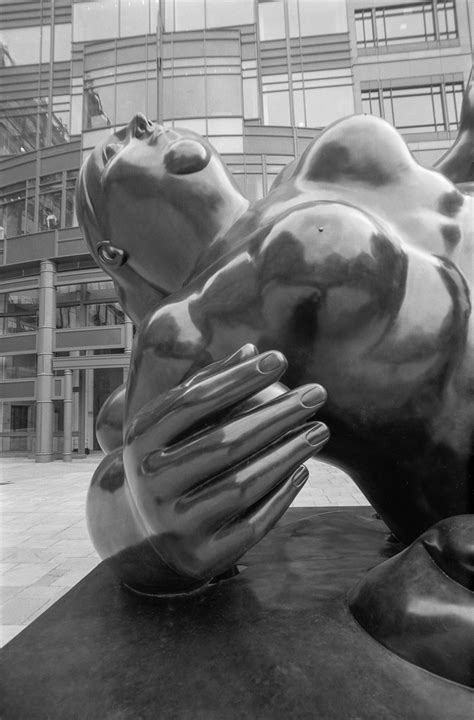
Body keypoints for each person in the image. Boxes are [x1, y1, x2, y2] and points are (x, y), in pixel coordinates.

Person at [77, 96, 473, 596]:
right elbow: (127, 473)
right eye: (114, 153)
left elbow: (437, 206)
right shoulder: (180, 334)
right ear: (115, 253)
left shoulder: (310, 171)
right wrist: (138, 522)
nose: (139, 122)